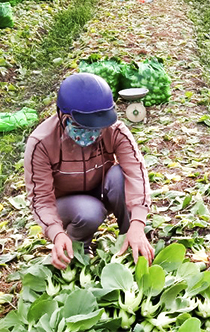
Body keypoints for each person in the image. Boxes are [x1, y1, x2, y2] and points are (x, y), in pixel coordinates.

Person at [24, 73, 154, 269]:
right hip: (69, 206)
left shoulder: (114, 130)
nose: (92, 133)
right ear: (63, 116)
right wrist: (56, 233)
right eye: (83, 126)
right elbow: (40, 198)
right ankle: (78, 247)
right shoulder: (41, 143)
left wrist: (138, 221)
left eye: (98, 128)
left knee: (120, 176)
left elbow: (136, 172)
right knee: (89, 212)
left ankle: (129, 237)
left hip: (101, 189)